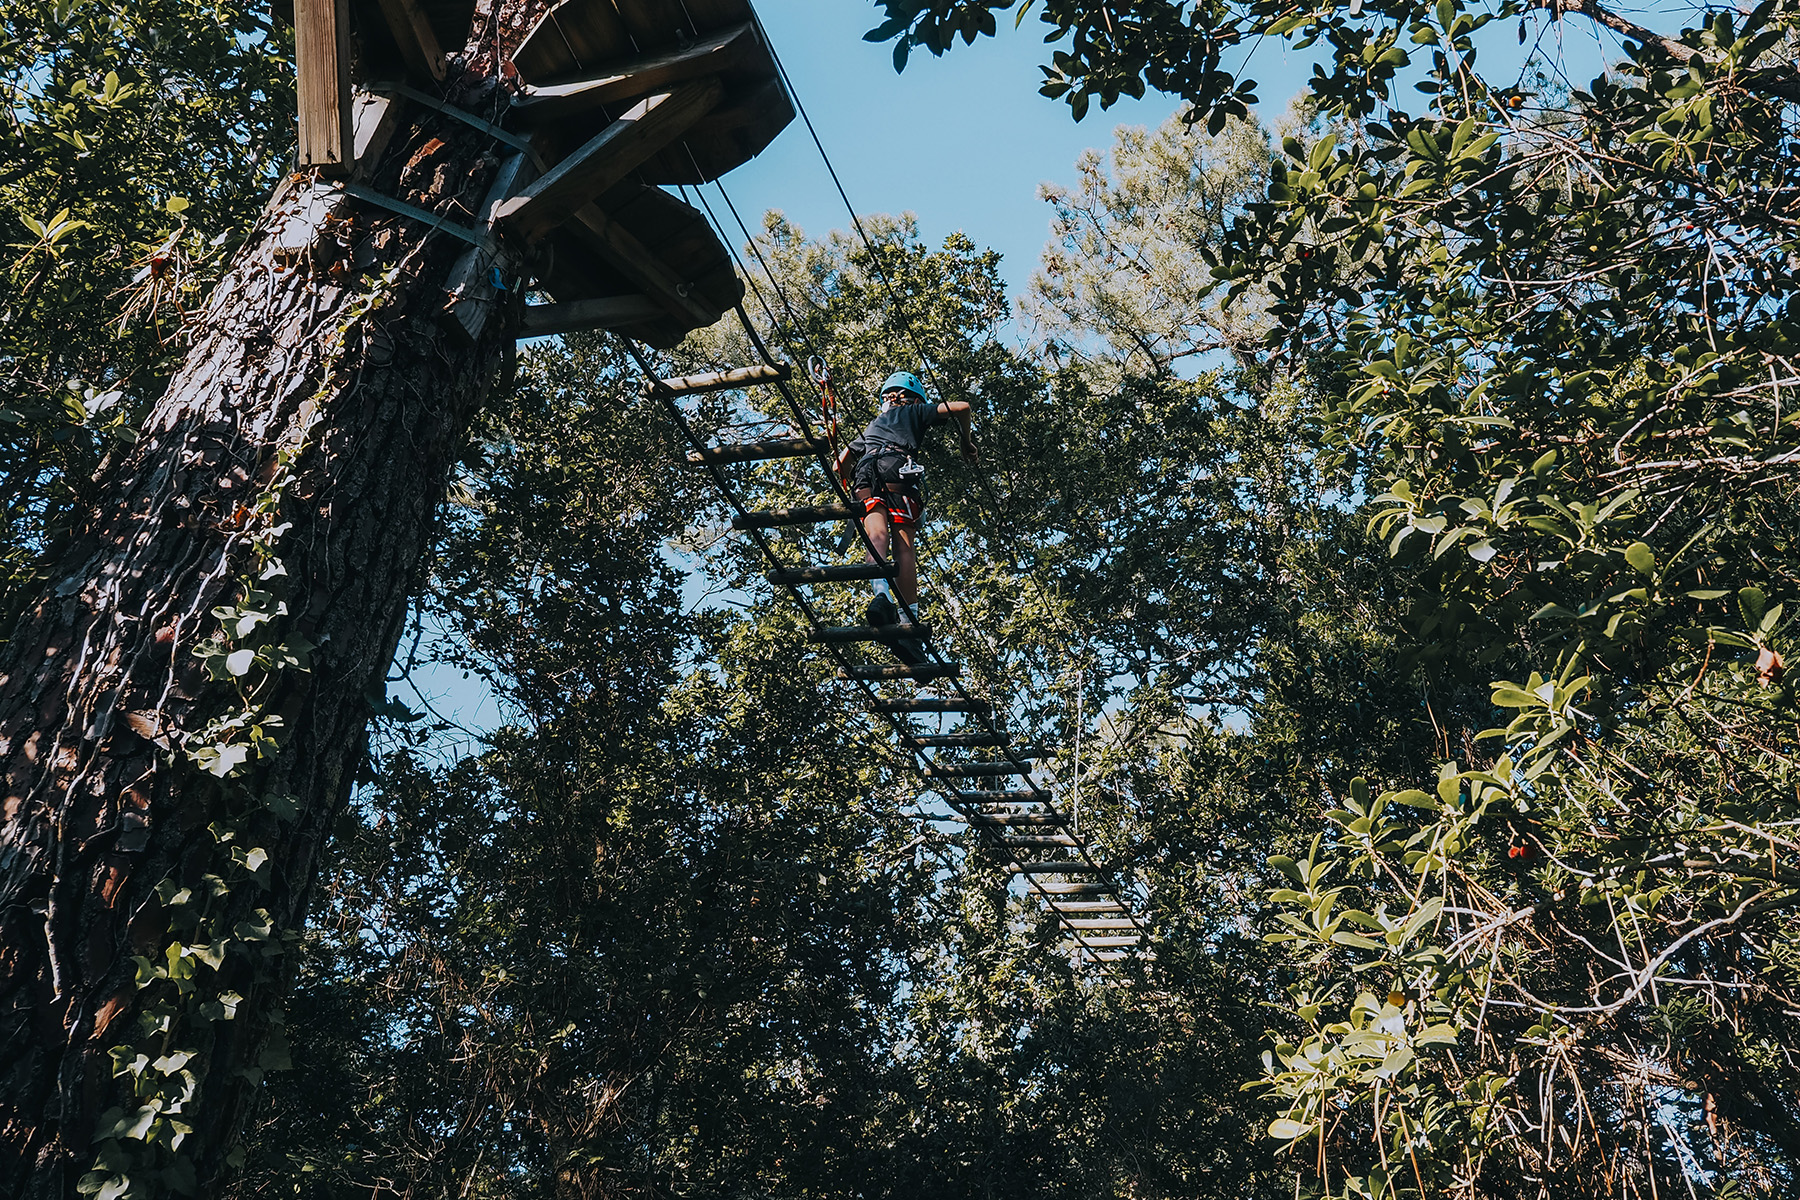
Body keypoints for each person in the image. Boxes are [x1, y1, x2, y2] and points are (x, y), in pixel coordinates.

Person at [833, 370, 977, 664]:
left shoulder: (871, 426)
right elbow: (962, 407)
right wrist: (966, 441)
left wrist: (855, 479)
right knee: (903, 546)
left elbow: (839, 466)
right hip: (896, 469)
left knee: (876, 535)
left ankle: (882, 595)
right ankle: (908, 622)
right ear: (912, 399)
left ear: (886, 400)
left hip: (865, 474)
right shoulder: (915, 411)